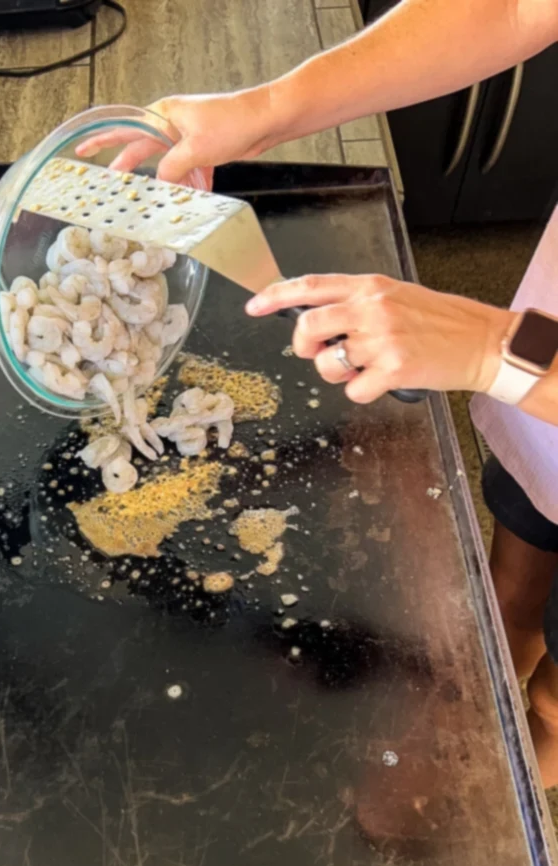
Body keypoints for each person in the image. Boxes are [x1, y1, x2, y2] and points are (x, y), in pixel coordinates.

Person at [78, 0, 558, 787]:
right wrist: (265, 112)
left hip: (521, 358)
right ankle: (494, 679)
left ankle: (520, 766)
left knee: (557, 702)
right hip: (538, 381)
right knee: (518, 570)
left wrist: (494, 348)